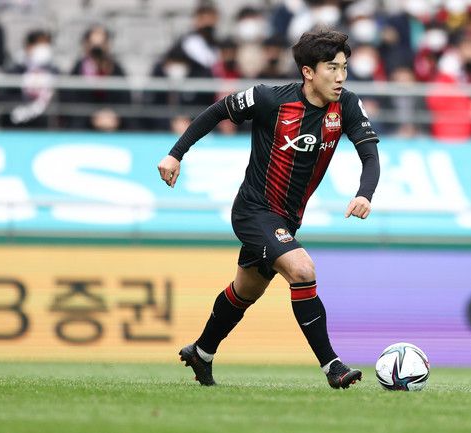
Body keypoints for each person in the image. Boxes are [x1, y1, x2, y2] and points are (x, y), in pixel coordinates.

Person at [157, 29, 380, 389]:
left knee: (245, 291)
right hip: (253, 210)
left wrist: (364, 193)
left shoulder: (348, 105)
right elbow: (217, 111)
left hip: (287, 220)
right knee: (302, 269)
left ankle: (202, 352)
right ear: (308, 72)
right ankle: (333, 366)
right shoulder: (269, 99)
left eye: (344, 68)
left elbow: (369, 155)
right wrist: (175, 154)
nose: (341, 76)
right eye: (332, 68)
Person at [0, 29, 59, 129]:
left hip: (43, 127)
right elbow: (1, 96)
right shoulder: (14, 69)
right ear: (29, 46)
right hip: (15, 125)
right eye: (39, 44)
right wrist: (26, 106)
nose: (43, 49)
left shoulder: (54, 71)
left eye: (46, 44)